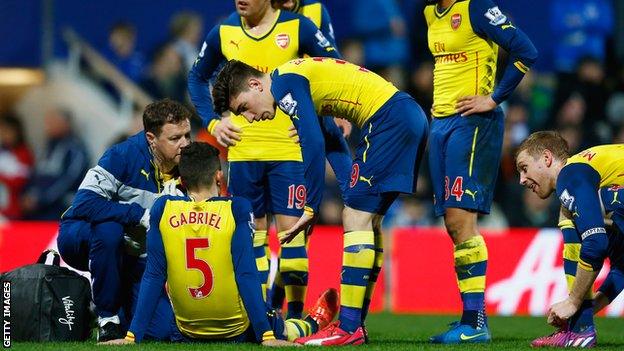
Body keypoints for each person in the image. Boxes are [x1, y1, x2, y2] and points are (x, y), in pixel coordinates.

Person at [211, 57, 429, 345]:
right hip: (406, 114)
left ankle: (349, 327)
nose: (249, 118)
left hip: (389, 119)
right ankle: (356, 325)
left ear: (254, 84)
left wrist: (311, 206)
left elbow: (312, 142)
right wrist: (347, 188)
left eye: (243, 108)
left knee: (355, 217)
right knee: (368, 218)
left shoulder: (284, 83)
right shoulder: (298, 83)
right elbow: (329, 135)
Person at [188, 0, 351, 320]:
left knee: (292, 239)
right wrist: (212, 122)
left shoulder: (298, 27)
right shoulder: (224, 31)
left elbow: (336, 69)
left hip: (289, 153)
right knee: (253, 238)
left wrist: (314, 118)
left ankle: (293, 317)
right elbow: (196, 77)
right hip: (243, 154)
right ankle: (261, 316)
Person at [101, 142, 340, 346]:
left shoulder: (163, 209)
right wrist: (266, 335)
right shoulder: (237, 208)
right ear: (219, 176)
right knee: (282, 328)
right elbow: (246, 272)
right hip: (236, 330)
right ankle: (312, 322)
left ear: (182, 181)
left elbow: (154, 274)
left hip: (187, 332)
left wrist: (132, 336)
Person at [424, 0, 538, 343]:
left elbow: (525, 50)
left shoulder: (476, 7)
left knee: (462, 220)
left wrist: (495, 97)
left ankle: (475, 323)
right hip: (440, 123)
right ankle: (470, 319)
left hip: (472, 123)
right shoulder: (429, 13)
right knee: (451, 223)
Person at [57, 99, 192, 341]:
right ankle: (107, 318)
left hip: (134, 253)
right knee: (110, 230)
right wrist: (139, 215)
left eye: (187, 135)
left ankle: (96, 307)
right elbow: (84, 204)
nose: (185, 144)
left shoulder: (189, 164)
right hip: (79, 235)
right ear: (151, 138)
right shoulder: (122, 156)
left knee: (159, 332)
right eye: (175, 139)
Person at [270, 0, 352, 315]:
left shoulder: (316, 13)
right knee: (297, 228)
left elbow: (335, 62)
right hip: (286, 126)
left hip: (322, 115)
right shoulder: (261, 20)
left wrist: (340, 107)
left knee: (354, 199)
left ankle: (354, 314)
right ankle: (280, 309)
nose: (288, 2)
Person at [515, 131, 624, 348]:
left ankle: (580, 331)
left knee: (576, 214)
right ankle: (580, 329)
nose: (521, 180)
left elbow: (595, 244)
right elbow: (622, 267)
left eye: (524, 168)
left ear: (547, 158)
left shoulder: (570, 174)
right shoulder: (589, 174)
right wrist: (585, 310)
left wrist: (572, 302)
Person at [21, 108, 90, 220]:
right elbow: (36, 173)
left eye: (52, 122)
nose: (47, 126)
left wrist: (41, 199)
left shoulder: (75, 148)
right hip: (36, 205)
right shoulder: (47, 146)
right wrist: (27, 194)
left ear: (65, 124)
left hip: (58, 207)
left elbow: (69, 180)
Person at [0, 113, 34, 220]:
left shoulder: (24, 153)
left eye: (7, 131)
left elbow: (21, 181)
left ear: (17, 131)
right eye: (2, 131)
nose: (4, 135)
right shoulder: (2, 151)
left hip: (13, 209)